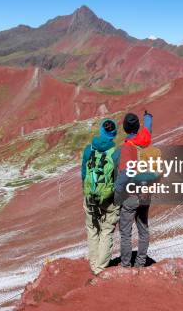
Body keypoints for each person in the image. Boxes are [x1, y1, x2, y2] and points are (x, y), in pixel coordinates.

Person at [115, 110, 159, 267]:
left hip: (131, 195)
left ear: (125, 129)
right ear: (138, 126)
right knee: (143, 229)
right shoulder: (145, 140)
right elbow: (148, 128)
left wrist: (118, 190)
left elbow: (126, 173)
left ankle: (126, 265)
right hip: (146, 193)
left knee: (126, 232)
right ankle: (140, 263)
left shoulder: (127, 148)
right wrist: (148, 117)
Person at [81, 118, 121, 275]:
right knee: (106, 230)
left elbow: (84, 174)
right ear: (114, 133)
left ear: (101, 131)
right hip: (108, 198)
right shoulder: (117, 153)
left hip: (90, 195)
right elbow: (118, 179)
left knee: (92, 228)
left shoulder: (88, 150)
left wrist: (86, 192)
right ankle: (100, 268)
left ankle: (93, 264)